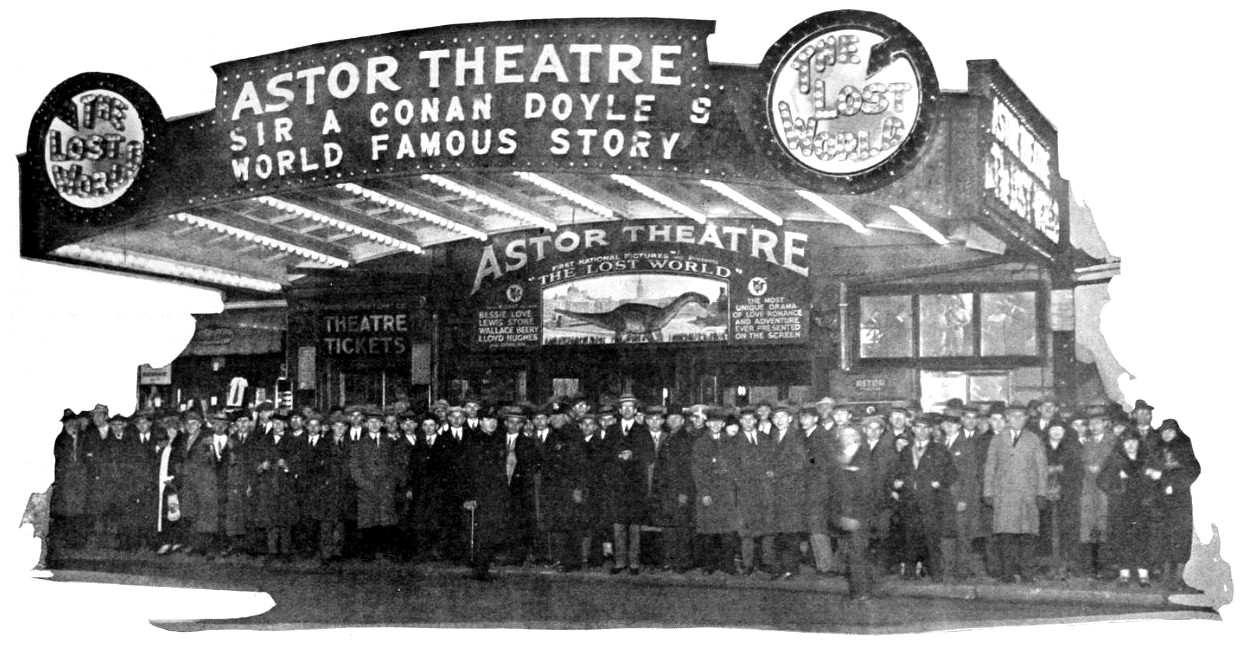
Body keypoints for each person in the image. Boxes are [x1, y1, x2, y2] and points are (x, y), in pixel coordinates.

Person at [460, 407, 537, 580]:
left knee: (492, 531)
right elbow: (467, 471)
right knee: (482, 531)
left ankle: (484, 566)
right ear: (480, 422)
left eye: (494, 420)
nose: (492, 423)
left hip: (497, 494)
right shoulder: (473, 440)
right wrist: (469, 495)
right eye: (488, 419)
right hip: (481, 494)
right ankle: (479, 569)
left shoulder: (497, 439)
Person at [982, 402, 1048, 583]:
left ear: (1026, 419)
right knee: (1006, 536)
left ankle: (1027, 574)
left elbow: (1042, 469)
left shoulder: (1034, 439)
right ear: (1007, 418)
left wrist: (1041, 493)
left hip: (1027, 496)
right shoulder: (997, 439)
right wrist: (988, 492)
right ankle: (1007, 574)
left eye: (1021, 416)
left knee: (1028, 536)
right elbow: (990, 467)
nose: (1017, 420)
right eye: (1012, 416)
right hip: (1004, 496)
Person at [891, 414, 957, 579]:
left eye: (925, 428)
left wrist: (938, 483)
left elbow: (951, 473)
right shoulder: (906, 451)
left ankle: (936, 573)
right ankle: (910, 574)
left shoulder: (939, 450)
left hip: (931, 501)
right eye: (918, 427)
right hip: (910, 501)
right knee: (909, 537)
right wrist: (897, 482)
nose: (921, 431)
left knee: (931, 538)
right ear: (913, 429)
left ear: (930, 430)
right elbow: (897, 472)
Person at [532, 401, 590, 571]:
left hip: (569, 488)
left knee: (571, 524)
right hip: (554, 488)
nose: (553, 419)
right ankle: (560, 559)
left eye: (557, 416)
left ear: (566, 416)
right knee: (557, 524)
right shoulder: (553, 435)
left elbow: (580, 464)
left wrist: (579, 488)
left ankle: (572, 562)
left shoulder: (573, 434)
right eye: (551, 416)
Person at [1146, 418, 1201, 591]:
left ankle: (1178, 578)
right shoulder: (1157, 450)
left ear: (1177, 432)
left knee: (1180, 536)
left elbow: (1193, 470)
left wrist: (1172, 483)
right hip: (1159, 500)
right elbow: (1148, 469)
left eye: (1171, 431)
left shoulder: (1184, 450)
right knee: (1162, 536)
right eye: (1164, 431)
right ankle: (1164, 576)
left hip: (1179, 501)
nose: (1167, 434)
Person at [1097, 431, 1157, 586]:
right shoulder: (1115, 459)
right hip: (1121, 505)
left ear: (1139, 443)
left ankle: (1143, 574)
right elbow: (1102, 480)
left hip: (1142, 505)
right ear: (1122, 444)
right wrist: (1117, 482)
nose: (1130, 445)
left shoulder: (1146, 459)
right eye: (1127, 442)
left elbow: (1156, 481)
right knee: (1122, 539)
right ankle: (1124, 574)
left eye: (1134, 442)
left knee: (1142, 538)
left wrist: (1148, 478)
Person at [602, 394, 652, 574]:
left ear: (636, 410)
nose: (627, 410)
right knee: (618, 525)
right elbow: (604, 455)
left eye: (631, 407)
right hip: (617, 485)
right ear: (619, 410)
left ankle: (634, 563)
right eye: (624, 407)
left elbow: (649, 454)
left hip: (635, 485)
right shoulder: (611, 430)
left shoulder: (642, 430)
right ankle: (619, 562)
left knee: (634, 527)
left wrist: (633, 455)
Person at [349, 408, 407, 561]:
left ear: (382, 424)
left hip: (386, 488)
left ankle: (387, 552)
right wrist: (363, 484)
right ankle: (369, 553)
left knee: (386, 520)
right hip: (366, 488)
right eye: (371, 422)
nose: (374, 425)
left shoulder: (390, 443)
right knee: (368, 520)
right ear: (366, 424)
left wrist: (391, 484)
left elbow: (396, 465)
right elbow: (355, 468)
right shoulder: (358, 444)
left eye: (377, 422)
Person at [644, 404, 695, 572]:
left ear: (682, 420)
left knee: (681, 528)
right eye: (670, 419)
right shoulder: (670, 437)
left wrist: (683, 493)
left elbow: (687, 469)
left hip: (678, 492)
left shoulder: (684, 438)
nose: (673, 421)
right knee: (669, 528)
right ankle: (671, 560)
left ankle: (682, 562)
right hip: (667, 492)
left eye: (676, 418)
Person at [691, 409, 740, 575]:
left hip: (726, 492)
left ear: (724, 424)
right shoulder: (700, 443)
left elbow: (735, 465)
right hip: (709, 492)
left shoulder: (731, 442)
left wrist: (732, 485)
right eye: (712, 422)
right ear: (707, 423)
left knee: (727, 531)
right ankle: (709, 565)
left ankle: (728, 564)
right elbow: (697, 470)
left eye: (719, 422)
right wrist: (704, 492)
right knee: (709, 532)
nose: (715, 425)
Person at [830, 425, 875, 599]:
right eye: (842, 435)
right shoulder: (839, 457)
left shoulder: (864, 456)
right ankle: (858, 590)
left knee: (858, 552)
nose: (844, 437)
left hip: (858, 515)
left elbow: (866, 490)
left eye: (849, 434)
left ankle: (862, 591)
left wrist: (854, 516)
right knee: (851, 553)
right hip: (843, 513)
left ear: (857, 437)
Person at [938, 412, 981, 579]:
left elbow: (970, 475)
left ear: (959, 426)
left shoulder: (966, 445)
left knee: (962, 534)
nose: (948, 427)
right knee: (946, 534)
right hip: (943, 498)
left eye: (953, 424)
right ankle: (948, 569)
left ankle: (962, 571)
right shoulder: (940, 443)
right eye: (945, 424)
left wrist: (963, 498)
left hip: (959, 497)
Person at [1039, 421, 1084, 578]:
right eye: (1053, 429)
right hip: (1045, 494)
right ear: (1048, 431)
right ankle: (1047, 566)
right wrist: (1047, 471)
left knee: (1066, 529)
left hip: (1066, 495)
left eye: (1060, 429)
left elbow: (1077, 471)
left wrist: (1060, 470)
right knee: (1046, 530)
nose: (1057, 432)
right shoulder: (1041, 448)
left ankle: (1066, 565)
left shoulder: (1071, 448)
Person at [734, 405, 773, 574]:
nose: (748, 422)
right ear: (741, 422)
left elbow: (772, 460)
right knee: (747, 531)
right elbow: (732, 467)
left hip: (764, 490)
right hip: (745, 492)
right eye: (745, 419)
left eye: (751, 419)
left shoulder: (766, 438)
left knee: (767, 528)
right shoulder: (734, 442)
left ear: (756, 421)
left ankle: (766, 562)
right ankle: (748, 564)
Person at [255, 414, 299, 562]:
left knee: (285, 520)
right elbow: (255, 460)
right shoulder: (263, 440)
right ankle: (272, 551)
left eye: (280, 422)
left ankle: (285, 551)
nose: (278, 425)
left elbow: (298, 462)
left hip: (285, 486)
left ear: (285, 425)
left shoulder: (292, 441)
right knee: (270, 520)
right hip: (268, 485)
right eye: (275, 422)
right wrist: (261, 466)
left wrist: (287, 466)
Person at [1079, 406, 1116, 578]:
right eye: (1091, 423)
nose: (1094, 426)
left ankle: (1105, 568)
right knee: (1090, 526)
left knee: (1104, 525)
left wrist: (1100, 469)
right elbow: (1081, 464)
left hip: (1105, 489)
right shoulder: (1086, 443)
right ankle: (1091, 567)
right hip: (1089, 490)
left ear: (1105, 423)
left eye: (1098, 423)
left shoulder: (1113, 442)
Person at [50, 409, 89, 564]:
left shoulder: (83, 438)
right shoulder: (60, 440)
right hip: (66, 480)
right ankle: (68, 539)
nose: (71, 425)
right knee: (67, 509)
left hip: (81, 479)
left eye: (73, 422)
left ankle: (79, 540)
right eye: (68, 423)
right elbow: (58, 461)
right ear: (64, 424)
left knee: (80, 508)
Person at [859, 414, 897, 573]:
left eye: (877, 429)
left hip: (883, 498)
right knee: (864, 534)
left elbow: (894, 473)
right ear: (864, 430)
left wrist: (892, 491)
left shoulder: (889, 451)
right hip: (863, 499)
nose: (873, 432)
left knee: (883, 533)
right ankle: (866, 567)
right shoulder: (858, 449)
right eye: (870, 429)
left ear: (882, 431)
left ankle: (883, 566)